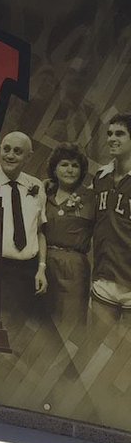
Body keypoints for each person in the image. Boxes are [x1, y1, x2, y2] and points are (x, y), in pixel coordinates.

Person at [0, 131, 47, 347]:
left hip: (26, 273)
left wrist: (41, 268)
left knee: (18, 335)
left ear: (29, 157)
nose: (10, 155)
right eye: (6, 149)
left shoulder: (36, 186)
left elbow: (40, 231)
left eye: (17, 151)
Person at [39, 143, 95, 331]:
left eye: (75, 165)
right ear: (54, 168)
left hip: (74, 268)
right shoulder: (43, 194)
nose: (69, 170)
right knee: (41, 325)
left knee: (70, 327)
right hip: (43, 263)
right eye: (64, 164)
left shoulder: (91, 198)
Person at [90, 115, 131, 324]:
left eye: (120, 133)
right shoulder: (101, 176)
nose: (112, 138)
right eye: (109, 133)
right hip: (104, 277)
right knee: (99, 350)